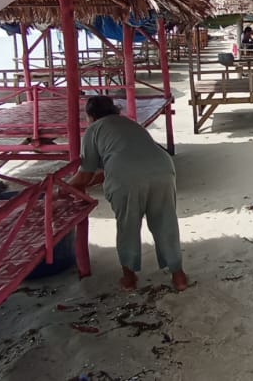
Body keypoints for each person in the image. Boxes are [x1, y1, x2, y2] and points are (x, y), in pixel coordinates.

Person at [71, 96, 188, 292]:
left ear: (90, 116)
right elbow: (115, 165)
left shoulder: (93, 129)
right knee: (165, 222)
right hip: (163, 168)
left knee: (128, 225)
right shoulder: (130, 123)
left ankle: (129, 278)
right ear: (114, 110)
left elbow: (85, 175)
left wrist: (58, 190)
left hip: (126, 175)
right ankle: (179, 277)